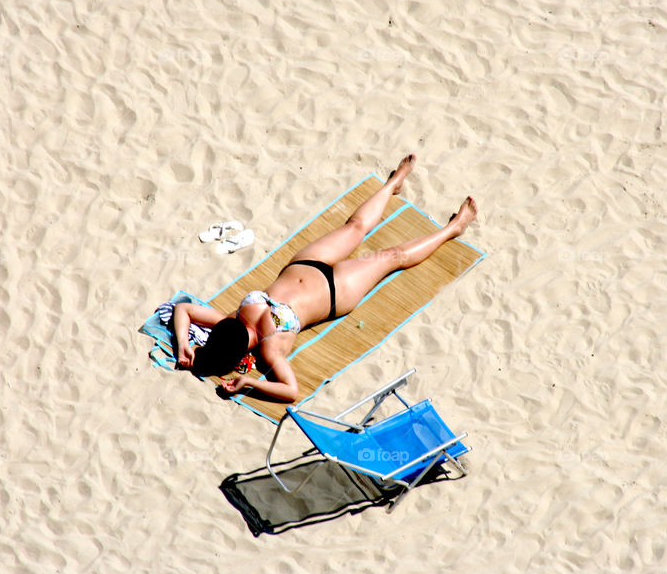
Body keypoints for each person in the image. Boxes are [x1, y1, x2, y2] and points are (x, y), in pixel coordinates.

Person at [171, 154, 478, 402]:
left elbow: (182, 309)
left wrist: (184, 343)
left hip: (306, 263)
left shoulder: (234, 320)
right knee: (391, 257)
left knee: (356, 227)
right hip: (335, 292)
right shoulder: (268, 349)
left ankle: (393, 185)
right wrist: (248, 384)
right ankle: (453, 229)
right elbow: (291, 391)